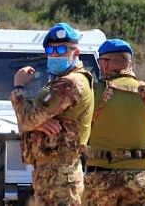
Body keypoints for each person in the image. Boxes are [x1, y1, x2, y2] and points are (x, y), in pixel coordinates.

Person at [11, 22, 94, 205]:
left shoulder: (70, 83)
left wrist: (18, 86)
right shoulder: (58, 82)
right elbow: (30, 118)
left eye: (63, 49)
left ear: (76, 52)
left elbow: (25, 118)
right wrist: (37, 123)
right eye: (51, 50)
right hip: (51, 173)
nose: (55, 54)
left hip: (61, 176)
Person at [82, 39, 145, 206]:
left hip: (100, 182)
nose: (100, 66)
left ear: (107, 64)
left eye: (101, 61)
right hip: (139, 182)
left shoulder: (93, 93)